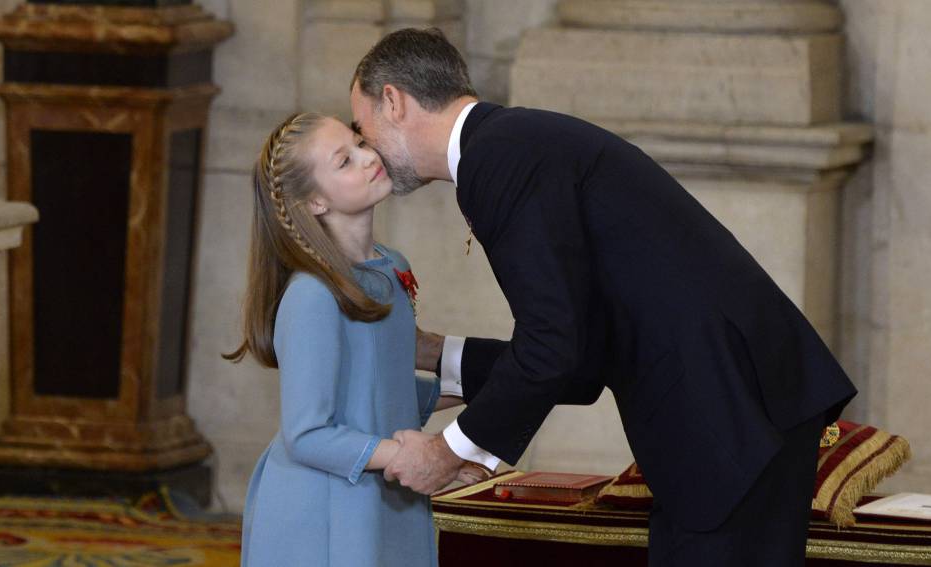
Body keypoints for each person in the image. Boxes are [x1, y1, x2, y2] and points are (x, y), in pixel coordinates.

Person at [348, 28, 858, 566]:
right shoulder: (509, 142)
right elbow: (580, 359)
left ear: (393, 101)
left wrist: (445, 452)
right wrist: (433, 353)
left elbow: (553, 343)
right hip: (736, 404)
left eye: (362, 130)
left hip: (728, 413)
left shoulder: (495, 157)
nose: (367, 150)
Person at [224, 113, 481, 566]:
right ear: (316, 202)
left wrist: (483, 387)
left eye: (360, 142)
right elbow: (308, 433)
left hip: (382, 488)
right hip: (326, 504)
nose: (368, 158)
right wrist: (410, 455)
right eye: (344, 161)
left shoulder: (389, 265)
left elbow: (380, 391)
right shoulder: (313, 295)